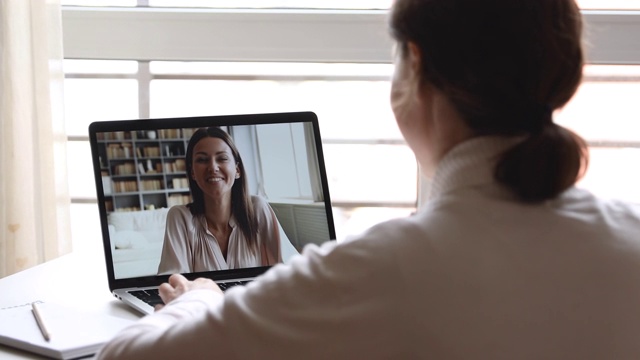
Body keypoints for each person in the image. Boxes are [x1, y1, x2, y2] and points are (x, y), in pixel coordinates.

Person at [99, 0, 640, 358]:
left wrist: (202, 299)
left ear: (416, 65)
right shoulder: (629, 234)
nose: (212, 169)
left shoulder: (371, 270)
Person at [157, 127, 282, 274]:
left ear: (237, 170)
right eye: (202, 160)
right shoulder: (180, 217)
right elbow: (173, 281)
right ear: (192, 173)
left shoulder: (257, 209)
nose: (213, 167)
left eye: (222, 158)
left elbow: (284, 270)